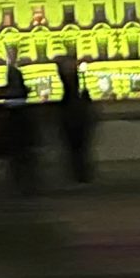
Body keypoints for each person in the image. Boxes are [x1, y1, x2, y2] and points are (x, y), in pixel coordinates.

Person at [0, 44, 40, 194]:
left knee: (18, 152)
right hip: (19, 116)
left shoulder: (10, 72)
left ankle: (19, 177)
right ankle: (25, 179)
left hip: (13, 116)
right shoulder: (14, 72)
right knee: (23, 151)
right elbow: (18, 92)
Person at [55, 43, 95, 185]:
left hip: (72, 118)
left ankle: (79, 174)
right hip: (76, 118)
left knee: (76, 149)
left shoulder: (69, 88)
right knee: (79, 149)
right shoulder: (73, 87)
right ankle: (81, 174)